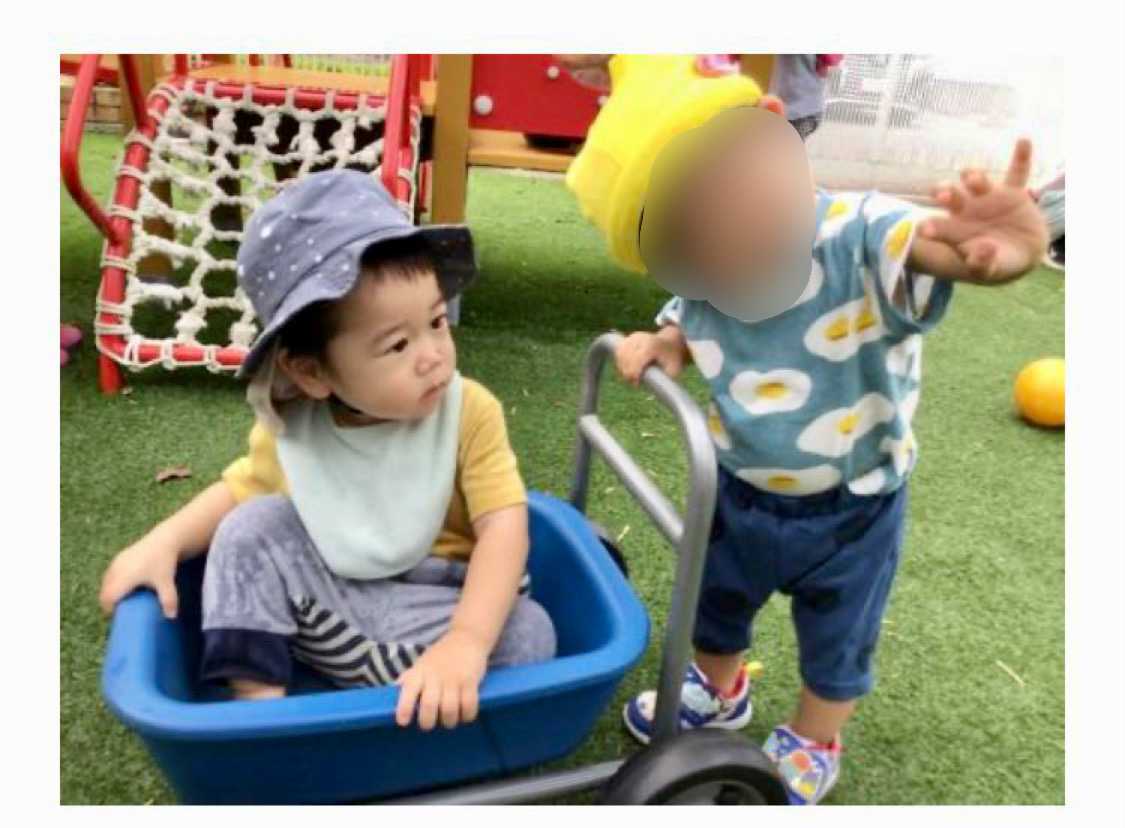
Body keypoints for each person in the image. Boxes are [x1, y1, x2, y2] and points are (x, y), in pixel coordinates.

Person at [566, 54, 1047, 804]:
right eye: (687, 233)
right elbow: (691, 315)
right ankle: (719, 690)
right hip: (739, 484)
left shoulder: (858, 232)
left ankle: (815, 735)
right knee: (716, 603)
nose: (722, 240)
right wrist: (665, 343)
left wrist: (985, 257)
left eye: (724, 199)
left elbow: (930, 250)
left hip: (852, 504)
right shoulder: (709, 268)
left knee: (837, 637)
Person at [99, 170, 556, 729]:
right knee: (250, 527)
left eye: (437, 321)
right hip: (338, 605)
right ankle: (259, 709)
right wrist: (162, 542)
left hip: (438, 609)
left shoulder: (470, 412)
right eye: (397, 344)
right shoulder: (298, 428)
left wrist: (466, 641)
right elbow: (238, 493)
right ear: (312, 373)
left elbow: (505, 528)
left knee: (531, 633)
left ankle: (414, 684)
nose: (433, 355)